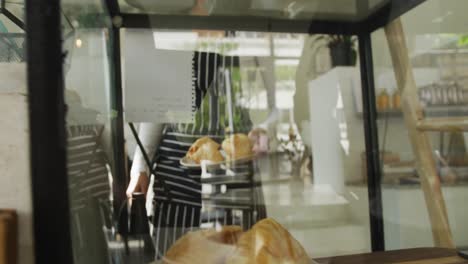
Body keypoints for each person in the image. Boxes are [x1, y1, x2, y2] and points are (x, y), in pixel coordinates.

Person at [126, 50, 268, 258]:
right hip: (178, 186)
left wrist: (262, 130)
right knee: (177, 256)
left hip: (234, 180)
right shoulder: (175, 36)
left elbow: (259, 94)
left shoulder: (241, 37)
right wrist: (141, 168)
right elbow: (157, 105)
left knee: (236, 257)